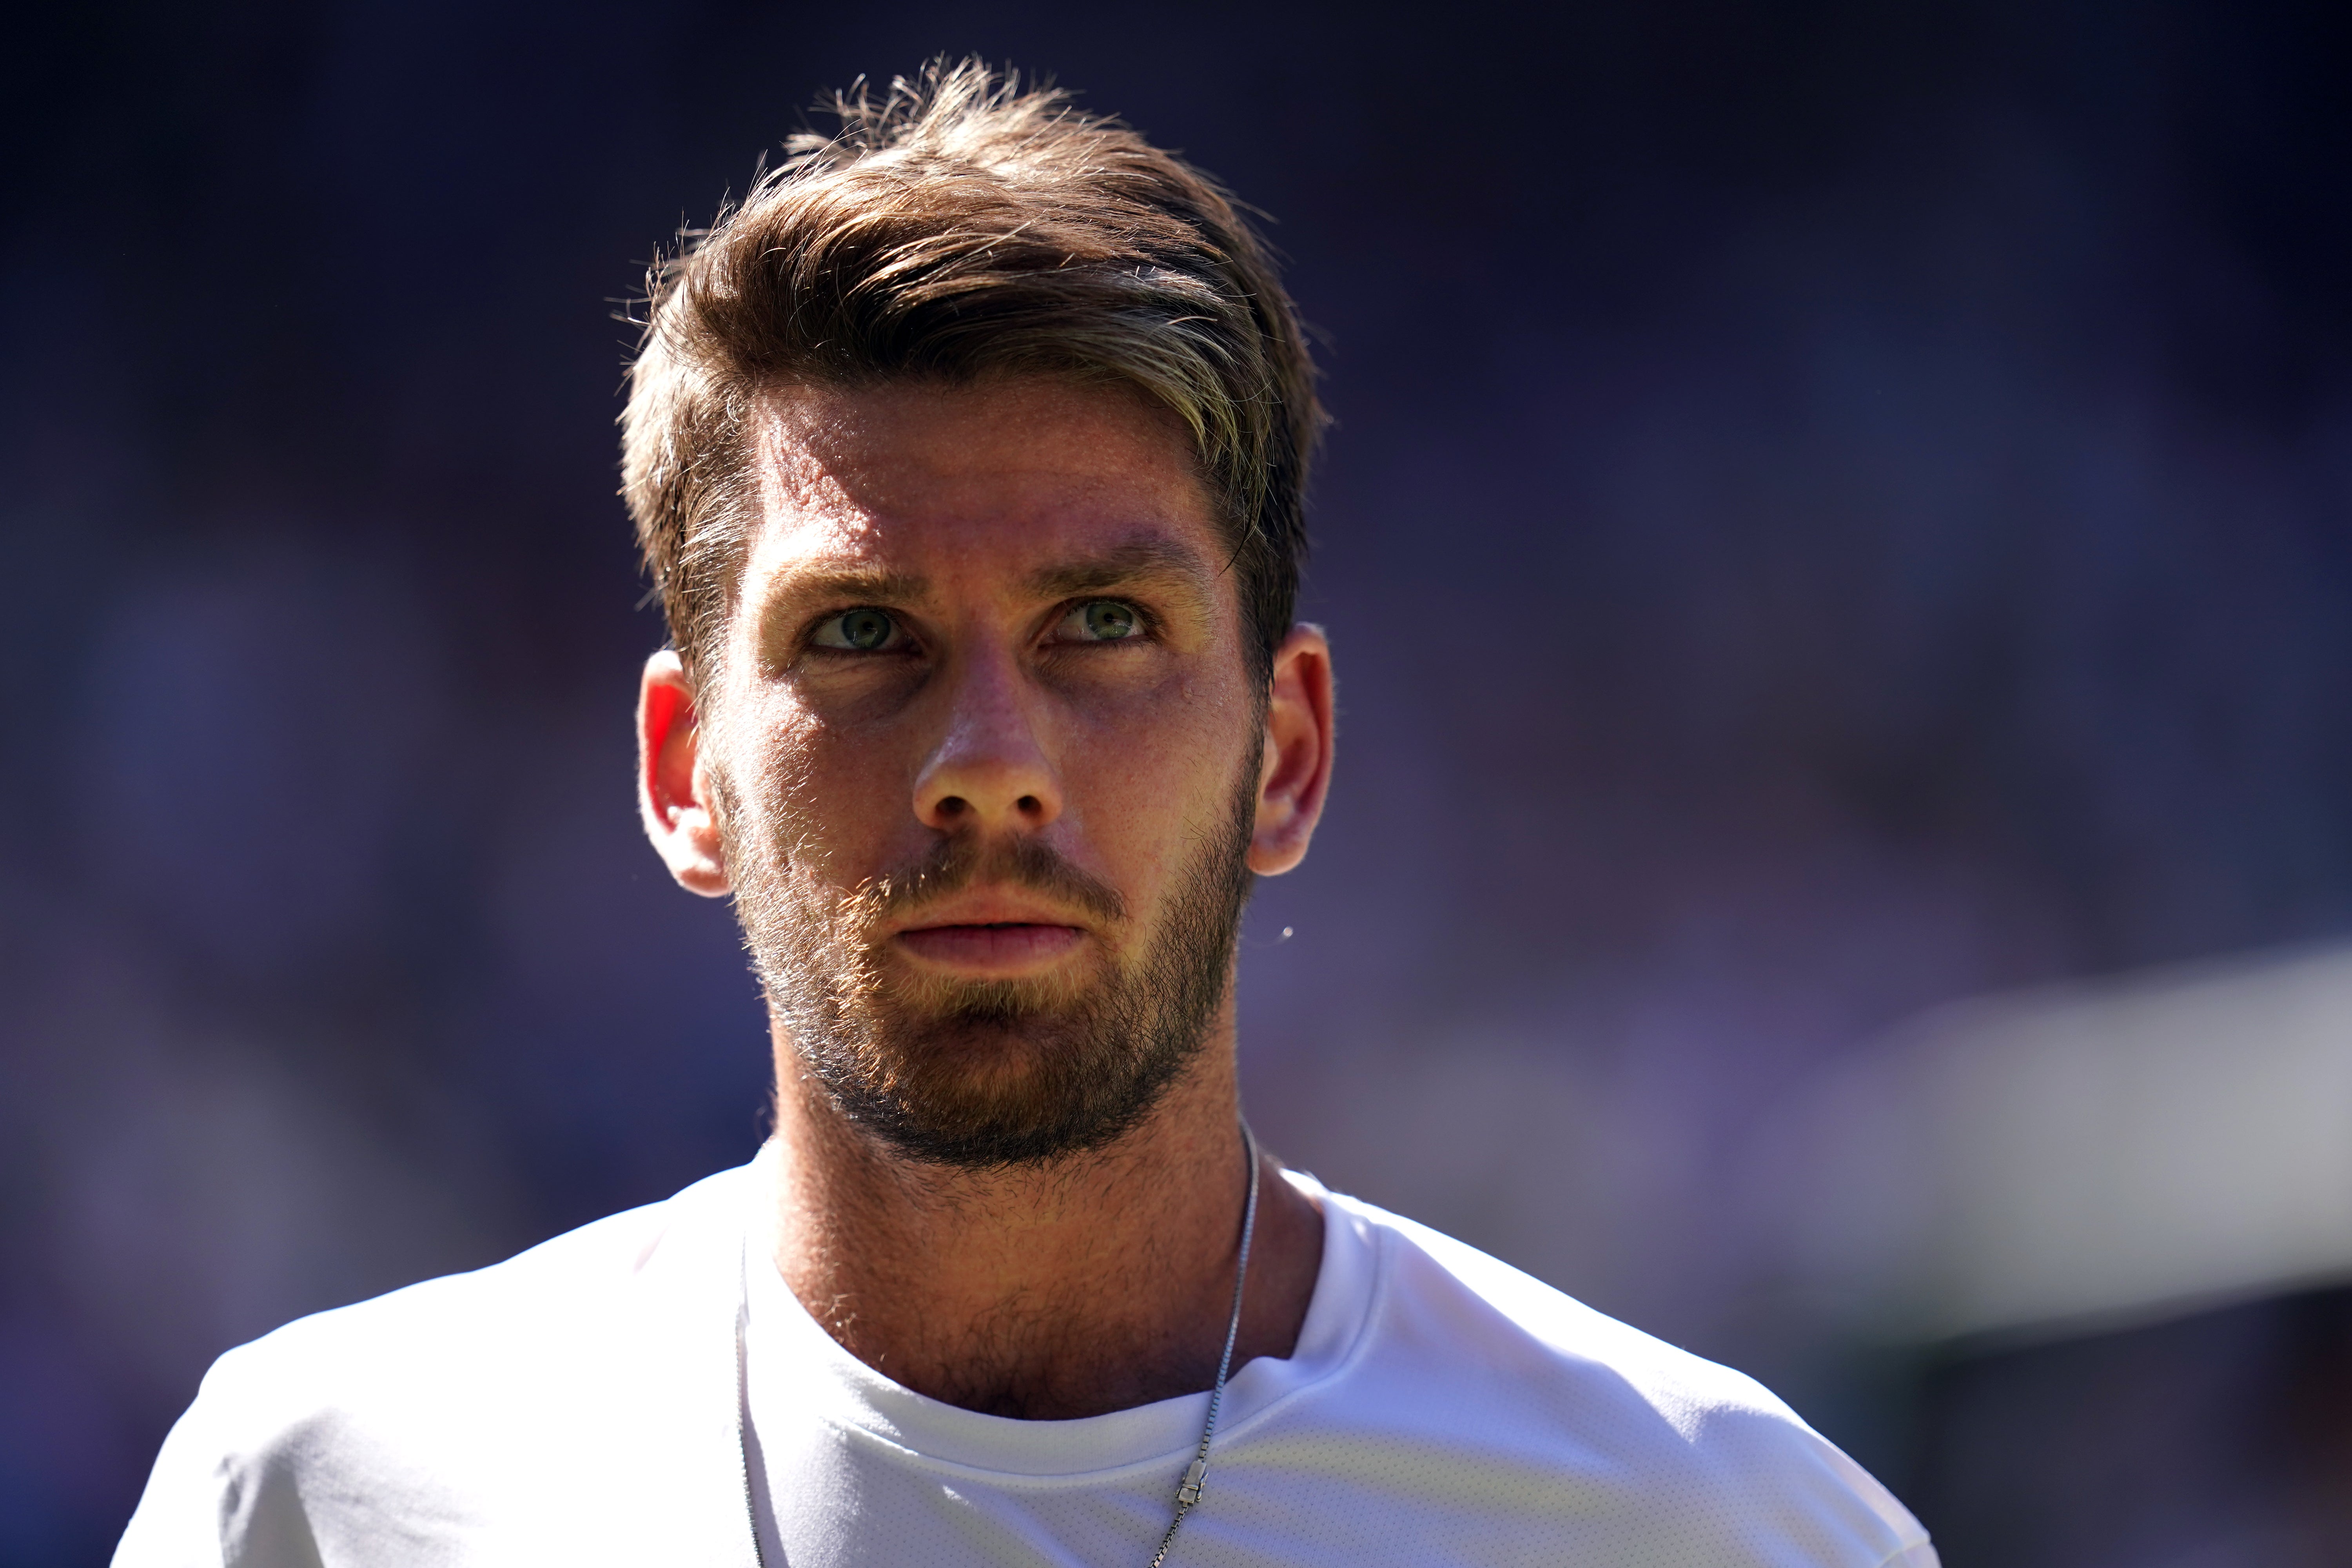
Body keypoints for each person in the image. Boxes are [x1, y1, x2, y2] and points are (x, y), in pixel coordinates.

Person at [114, 60, 1938, 1568]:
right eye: (860, 635)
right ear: (687, 776)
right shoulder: (314, 1500)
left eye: (1104, 627)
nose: (987, 754)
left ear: (1286, 754)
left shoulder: (1703, 1528)